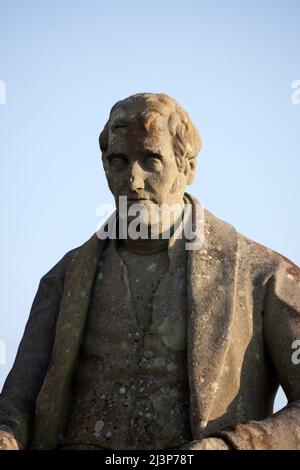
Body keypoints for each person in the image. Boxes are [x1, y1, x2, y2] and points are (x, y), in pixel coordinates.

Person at [0, 93, 300, 450]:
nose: (133, 181)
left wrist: (232, 446)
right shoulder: (63, 281)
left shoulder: (263, 277)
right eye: (119, 161)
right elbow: (15, 407)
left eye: (151, 160)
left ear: (186, 168)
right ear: (105, 168)